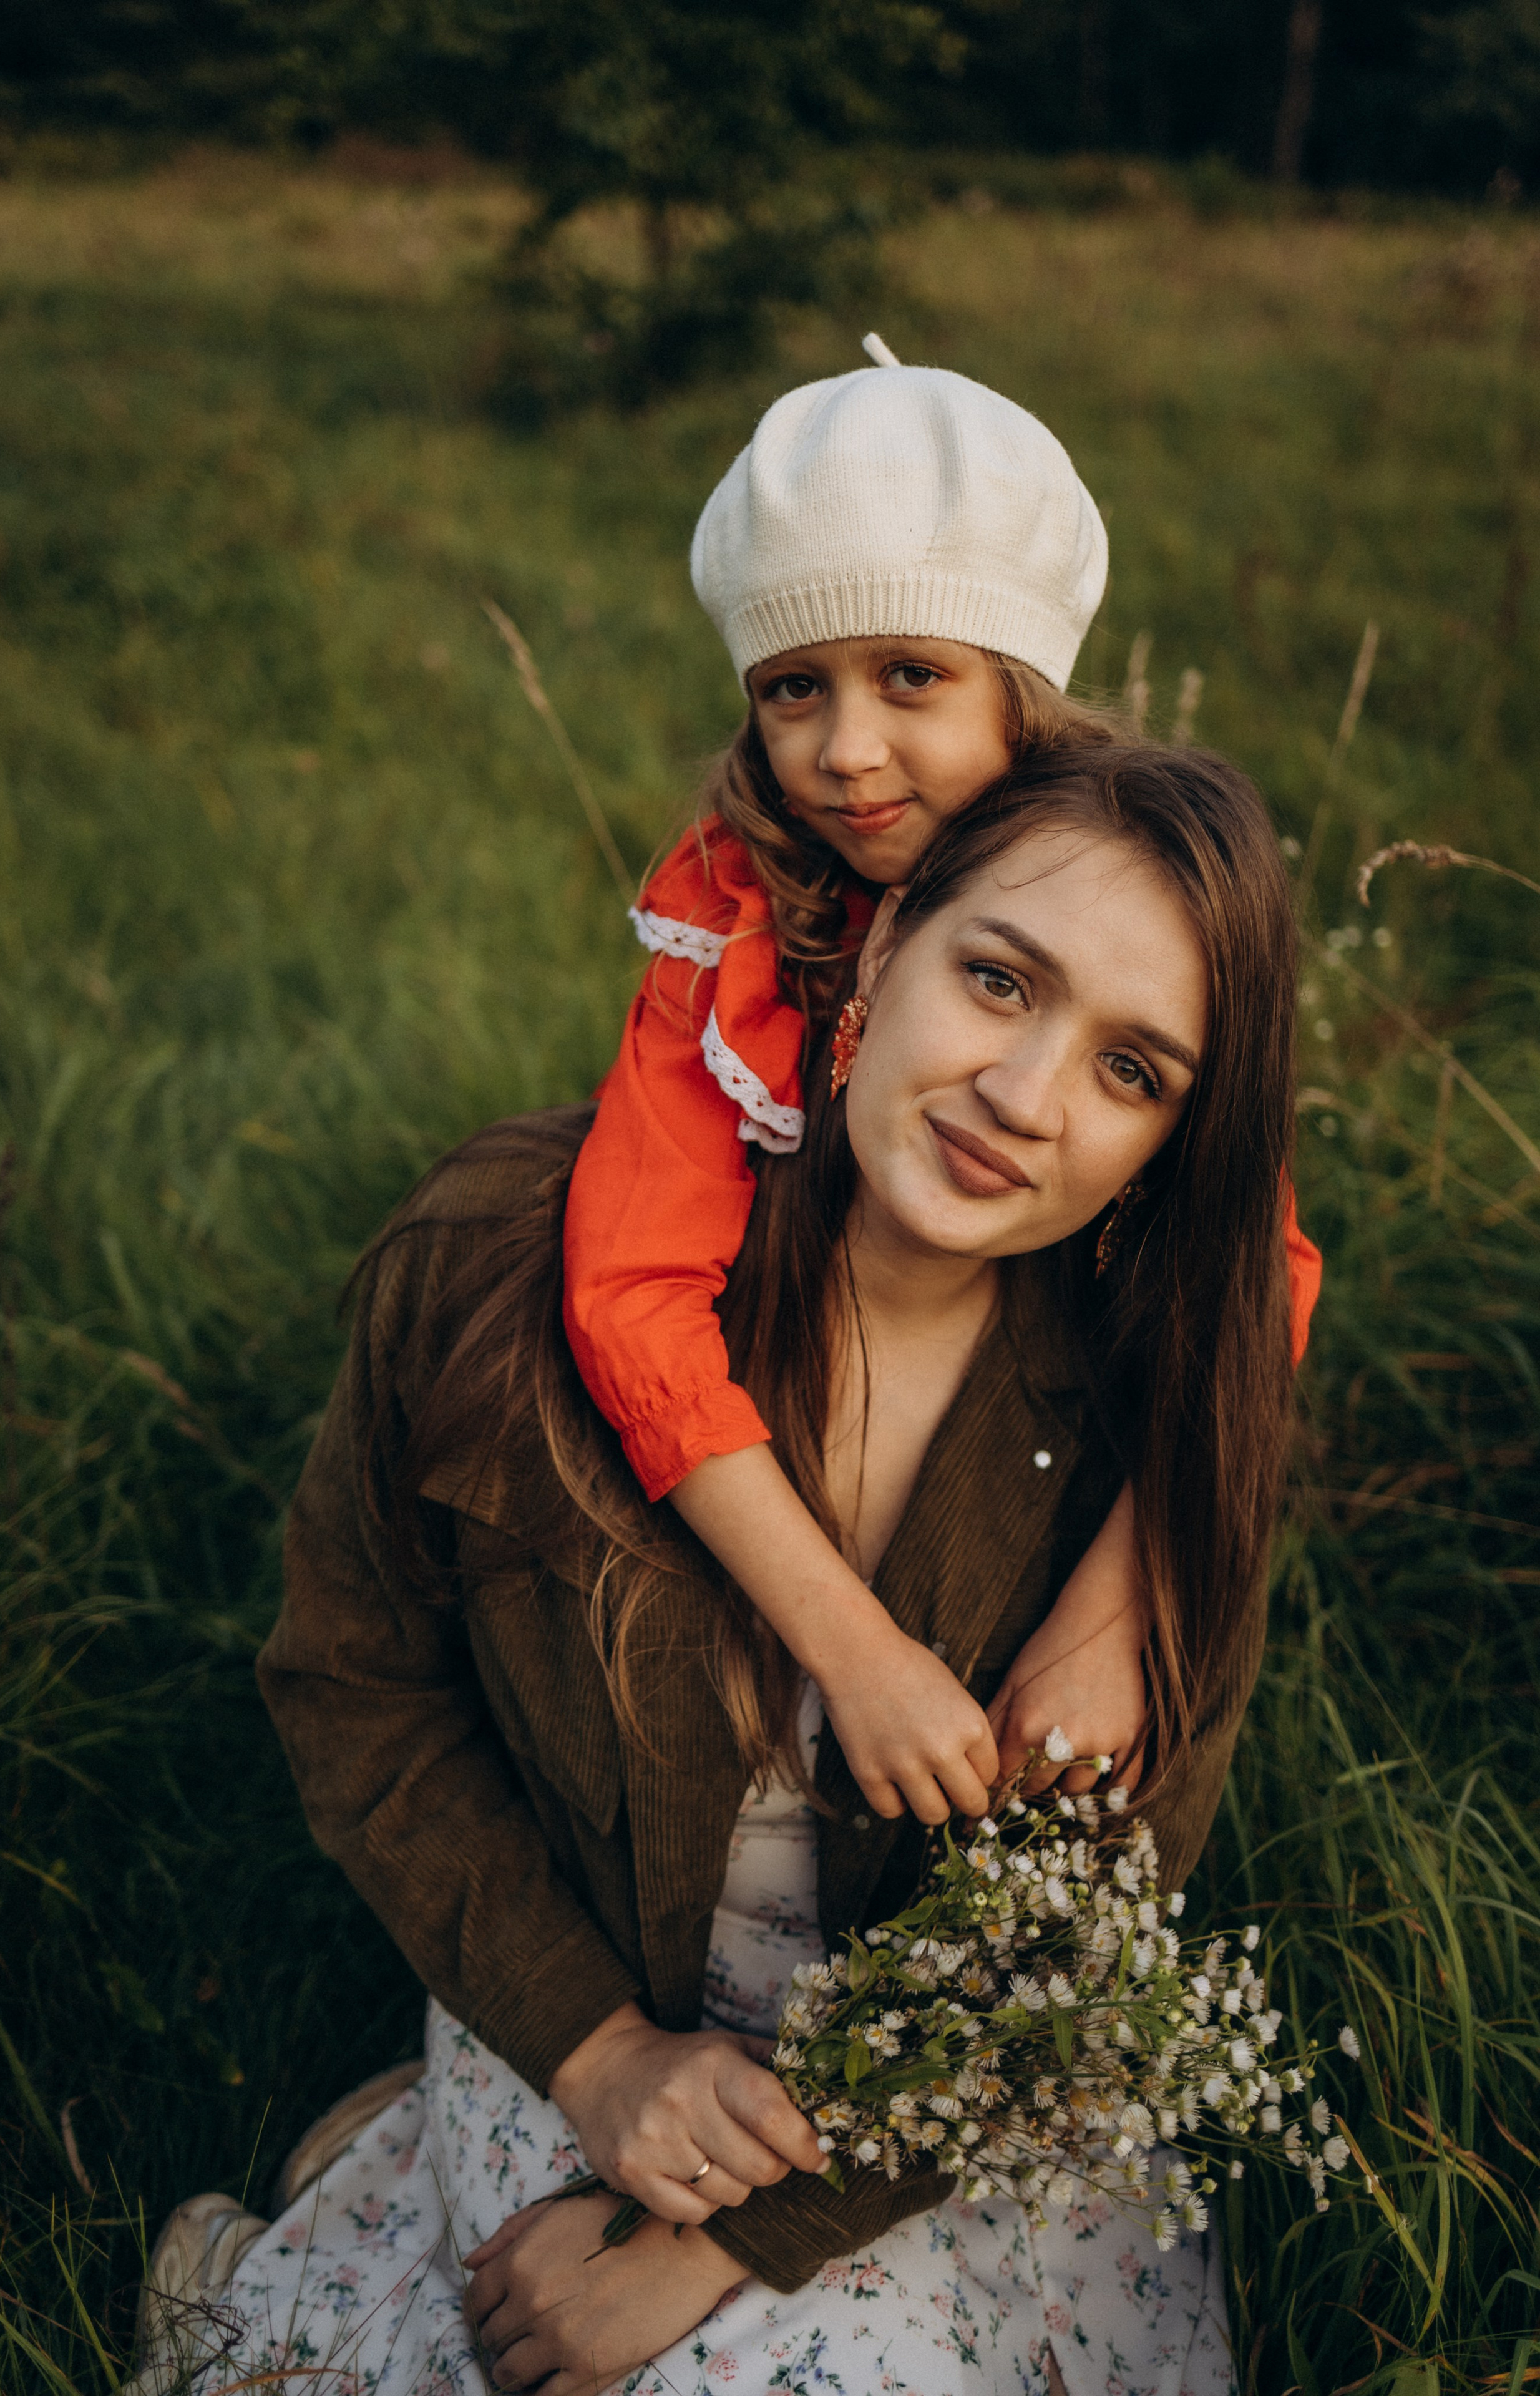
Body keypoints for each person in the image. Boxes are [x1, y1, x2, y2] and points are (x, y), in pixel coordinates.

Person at [135, 738, 1299, 2396]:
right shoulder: (498, 1267)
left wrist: (717, 2252)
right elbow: (357, 1690)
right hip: (591, 2022)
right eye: (995, 979)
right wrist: (599, 2057)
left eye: (1134, 1073)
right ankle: (367, 2208)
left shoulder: (1167, 1436)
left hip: (929, 2108)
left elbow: (1077, 1936)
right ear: (882, 947)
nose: (1025, 1099)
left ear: (1178, 1140)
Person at [562, 343, 1321, 1839]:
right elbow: (629, 1291)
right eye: (793, 689)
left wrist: (1121, 1601)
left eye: (910, 676)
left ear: (1018, 689)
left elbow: (1261, 1275)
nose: (845, 756)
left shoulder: (1142, 889)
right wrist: (848, 1647)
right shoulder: (728, 918)